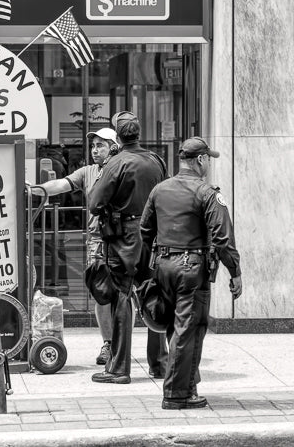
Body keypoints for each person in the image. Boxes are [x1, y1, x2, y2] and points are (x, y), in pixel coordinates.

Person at [140, 137, 242, 409]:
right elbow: (223, 239)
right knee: (189, 330)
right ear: (200, 160)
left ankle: (187, 385)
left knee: (175, 329)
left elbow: (145, 230)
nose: (209, 163)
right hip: (191, 268)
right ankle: (177, 394)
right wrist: (235, 272)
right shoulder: (207, 193)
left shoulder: (159, 190)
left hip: (163, 266)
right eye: (208, 158)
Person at [87, 112, 167, 384]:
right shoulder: (156, 161)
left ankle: (119, 368)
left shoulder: (115, 162)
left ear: (118, 138)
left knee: (121, 298)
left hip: (123, 238)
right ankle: (159, 363)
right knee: (152, 294)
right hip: (152, 236)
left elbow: (94, 204)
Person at [29, 127, 118, 366]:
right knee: (101, 295)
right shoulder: (87, 172)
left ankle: (127, 344)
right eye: (93, 145)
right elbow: (61, 185)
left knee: (125, 296)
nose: (95, 150)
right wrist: (35, 189)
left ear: (114, 146)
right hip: (97, 241)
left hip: (123, 240)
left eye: (101, 145)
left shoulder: (122, 168)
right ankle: (109, 343)